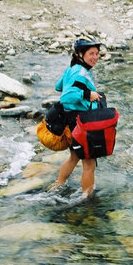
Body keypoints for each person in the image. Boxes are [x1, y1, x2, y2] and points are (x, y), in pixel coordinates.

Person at [53, 34, 104, 197]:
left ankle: (57, 187)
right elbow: (65, 96)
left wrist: (81, 90)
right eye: (91, 54)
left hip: (71, 120)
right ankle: (86, 199)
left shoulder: (72, 69)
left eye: (97, 53)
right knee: (89, 164)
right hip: (80, 123)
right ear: (80, 54)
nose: (95, 57)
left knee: (74, 157)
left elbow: (58, 86)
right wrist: (87, 94)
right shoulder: (80, 73)